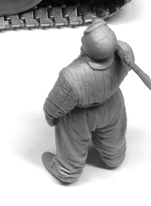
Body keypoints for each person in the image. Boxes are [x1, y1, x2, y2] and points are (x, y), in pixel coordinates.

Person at [42, 19, 134, 184]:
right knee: (114, 137)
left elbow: (54, 105)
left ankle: (66, 171)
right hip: (113, 106)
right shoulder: (125, 53)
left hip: (80, 116)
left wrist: (51, 118)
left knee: (72, 144)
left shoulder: (72, 75)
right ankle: (114, 158)